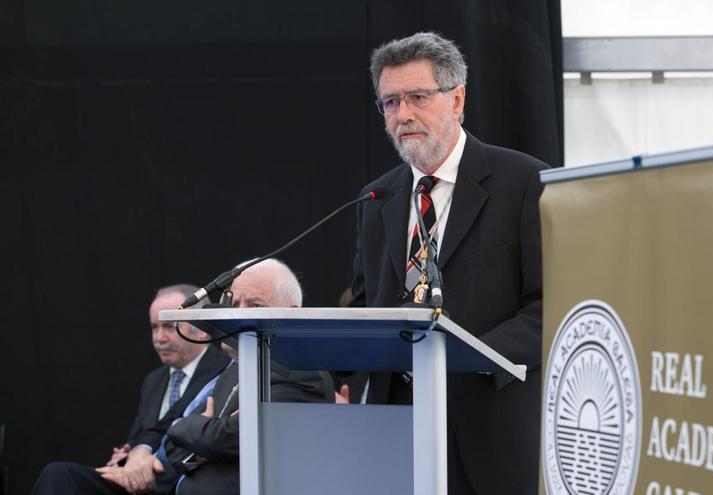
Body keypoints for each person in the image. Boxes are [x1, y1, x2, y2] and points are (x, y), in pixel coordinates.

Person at [349, 32, 547, 495]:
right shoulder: (377, 198)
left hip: (490, 427)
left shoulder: (525, 181)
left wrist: (459, 356)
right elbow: (363, 304)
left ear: (457, 99)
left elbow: (550, 303)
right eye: (390, 103)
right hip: (394, 428)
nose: (403, 115)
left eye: (418, 97)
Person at [100, 258, 335, 495]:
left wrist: (193, 428)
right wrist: (202, 438)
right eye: (234, 304)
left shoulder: (303, 371)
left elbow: (231, 437)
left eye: (254, 306)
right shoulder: (236, 368)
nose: (237, 316)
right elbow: (178, 446)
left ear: (290, 313)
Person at [31, 285, 231, 495]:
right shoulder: (153, 380)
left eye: (170, 327)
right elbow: (140, 436)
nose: (159, 338)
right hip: (134, 479)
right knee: (60, 476)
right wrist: (129, 453)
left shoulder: (223, 370)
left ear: (200, 327)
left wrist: (143, 457)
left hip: (178, 478)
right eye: (154, 327)